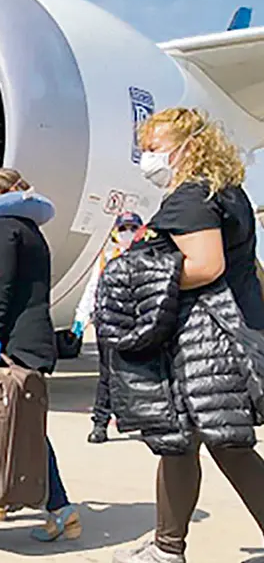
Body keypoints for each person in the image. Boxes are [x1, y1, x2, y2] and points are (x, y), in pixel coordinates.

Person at [112, 107, 264, 563]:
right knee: (187, 444)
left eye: (155, 148)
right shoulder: (227, 194)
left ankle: (166, 550)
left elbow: (205, 265)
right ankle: (166, 548)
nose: (147, 158)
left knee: (221, 445)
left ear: (189, 147)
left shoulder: (191, 198)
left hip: (205, 341)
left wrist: (136, 274)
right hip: (225, 334)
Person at [0, 167, 81, 542]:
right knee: (13, 425)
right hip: (30, 341)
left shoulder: (1, 230)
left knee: (20, 429)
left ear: (14, 190)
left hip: (11, 344)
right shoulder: (30, 231)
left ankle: (60, 508)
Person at [72, 211, 144, 444]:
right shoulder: (107, 257)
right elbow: (93, 288)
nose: (127, 233)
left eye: (133, 228)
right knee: (107, 375)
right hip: (110, 323)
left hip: (138, 324)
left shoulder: (147, 256)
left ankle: (140, 420)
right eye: (123, 228)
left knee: (139, 374)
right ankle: (100, 423)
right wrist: (82, 317)